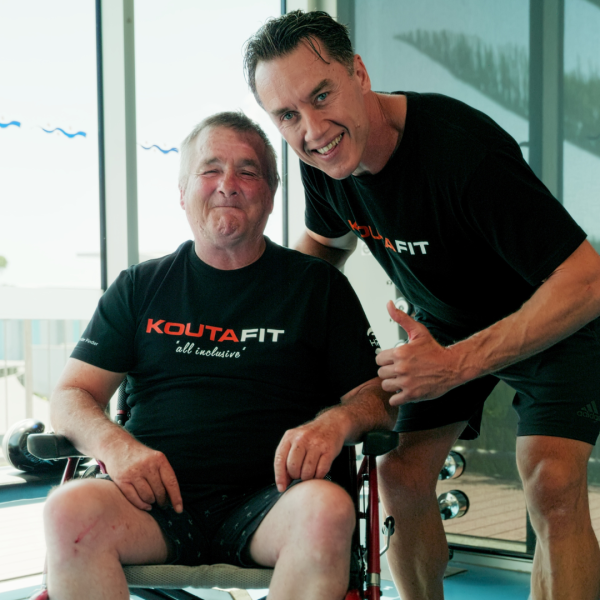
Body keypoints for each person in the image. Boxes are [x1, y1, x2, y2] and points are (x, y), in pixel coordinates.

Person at [244, 10, 600, 600]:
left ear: (358, 73)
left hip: (552, 317)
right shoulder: (325, 162)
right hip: (443, 325)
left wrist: (458, 365)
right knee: (400, 474)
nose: (312, 128)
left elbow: (587, 280)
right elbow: (321, 249)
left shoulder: (463, 154)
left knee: (551, 482)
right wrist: (257, 321)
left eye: (321, 95)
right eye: (287, 115)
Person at [43, 111, 396, 600]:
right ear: (182, 192)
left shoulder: (318, 287)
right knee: (67, 511)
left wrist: (337, 422)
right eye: (210, 170)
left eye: (248, 172)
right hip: (152, 504)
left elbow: (378, 398)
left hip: (276, 502)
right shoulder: (140, 287)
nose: (228, 184)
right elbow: (70, 396)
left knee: (328, 511)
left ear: (270, 195)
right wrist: (115, 447)